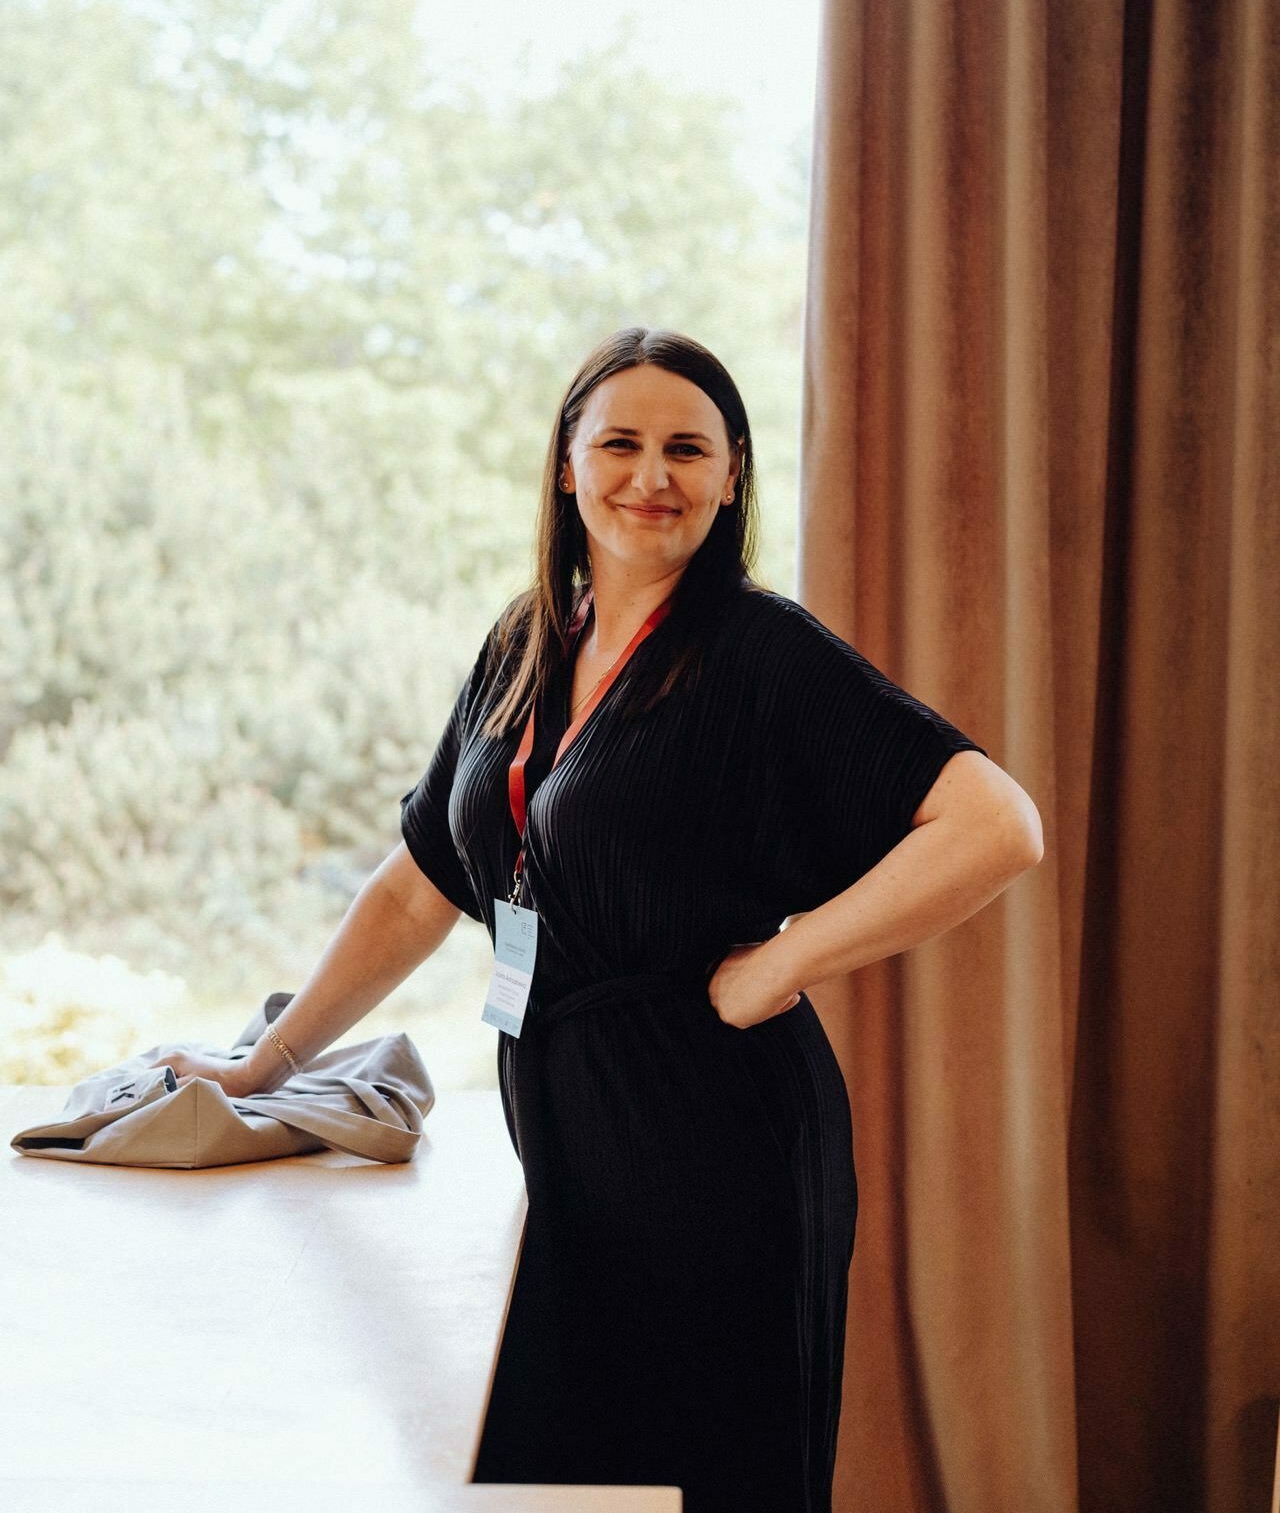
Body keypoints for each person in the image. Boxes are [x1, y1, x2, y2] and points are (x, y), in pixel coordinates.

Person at [157, 325, 1043, 1513]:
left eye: (688, 448)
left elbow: (996, 825)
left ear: (731, 475)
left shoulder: (757, 652)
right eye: (618, 442)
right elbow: (418, 885)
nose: (651, 475)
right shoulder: (527, 641)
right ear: (565, 464)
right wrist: (261, 1064)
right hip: (566, 1151)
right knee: (555, 1481)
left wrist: (780, 965)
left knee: (700, 1479)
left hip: (714, 1153)